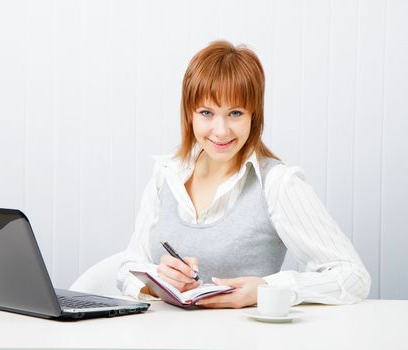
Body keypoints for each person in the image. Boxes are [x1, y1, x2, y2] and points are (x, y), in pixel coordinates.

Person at [116, 40, 371, 308]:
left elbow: (353, 276)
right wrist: (158, 281)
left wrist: (266, 289)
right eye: (206, 113)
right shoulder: (166, 174)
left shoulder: (278, 183)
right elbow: (126, 269)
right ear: (189, 114)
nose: (221, 130)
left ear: (254, 115)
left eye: (235, 113)